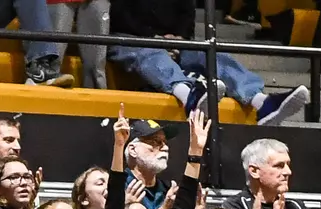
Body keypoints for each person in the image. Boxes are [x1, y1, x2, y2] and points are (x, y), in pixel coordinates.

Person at [104, 0, 308, 122]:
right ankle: (190, 98)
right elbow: (118, 14)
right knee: (151, 54)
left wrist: (178, 39)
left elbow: (186, 15)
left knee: (211, 55)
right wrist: (153, 38)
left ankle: (261, 102)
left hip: (173, 42)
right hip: (128, 39)